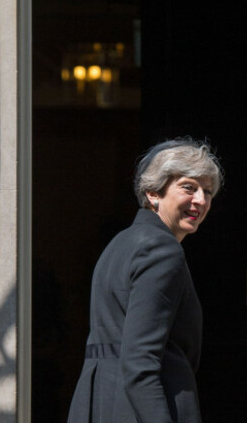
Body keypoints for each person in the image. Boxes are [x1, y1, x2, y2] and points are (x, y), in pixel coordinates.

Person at [67, 138, 223, 423]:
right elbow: (141, 362)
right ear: (153, 193)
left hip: (101, 402)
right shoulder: (162, 250)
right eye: (188, 187)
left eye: (207, 192)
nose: (200, 200)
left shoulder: (121, 243)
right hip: (140, 409)